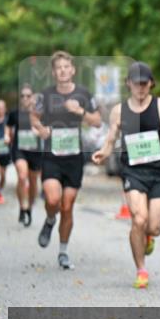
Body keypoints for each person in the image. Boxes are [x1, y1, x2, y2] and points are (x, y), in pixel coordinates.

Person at [92, 62, 160, 288]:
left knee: (154, 227)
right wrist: (104, 152)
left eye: (144, 83)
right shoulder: (119, 111)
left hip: (159, 171)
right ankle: (141, 269)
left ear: (151, 83)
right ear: (128, 83)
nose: (140, 88)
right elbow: (111, 138)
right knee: (138, 219)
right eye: (136, 83)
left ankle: (148, 237)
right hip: (133, 171)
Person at [32, 51, 102, 269]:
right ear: (54, 72)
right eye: (58, 68)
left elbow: (98, 121)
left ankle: (63, 252)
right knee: (53, 200)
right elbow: (34, 116)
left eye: (66, 67)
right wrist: (41, 128)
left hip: (74, 158)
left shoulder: (83, 94)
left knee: (67, 206)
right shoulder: (45, 95)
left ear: (72, 70)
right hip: (51, 157)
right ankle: (50, 220)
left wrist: (79, 110)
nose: (63, 70)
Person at [10, 85, 44, 226]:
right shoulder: (15, 114)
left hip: (35, 152)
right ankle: (22, 207)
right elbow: (8, 129)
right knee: (22, 176)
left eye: (28, 96)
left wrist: (40, 131)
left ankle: (29, 208)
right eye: (22, 96)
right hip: (20, 150)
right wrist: (7, 136)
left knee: (33, 183)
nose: (25, 98)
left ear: (32, 98)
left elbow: (47, 129)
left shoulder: (39, 114)